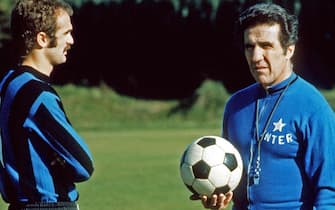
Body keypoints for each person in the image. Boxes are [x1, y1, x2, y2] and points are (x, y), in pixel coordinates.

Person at [191, 2, 335, 210]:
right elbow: (230, 177)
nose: (256, 57)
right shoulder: (236, 106)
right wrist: (218, 195)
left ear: (289, 50)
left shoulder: (313, 107)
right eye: (250, 46)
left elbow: (330, 191)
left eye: (266, 46)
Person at [0, 0, 94, 210]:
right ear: (42, 39)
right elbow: (83, 165)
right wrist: (55, 159)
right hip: (50, 206)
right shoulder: (39, 96)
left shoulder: (8, 82)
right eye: (66, 33)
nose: (71, 40)